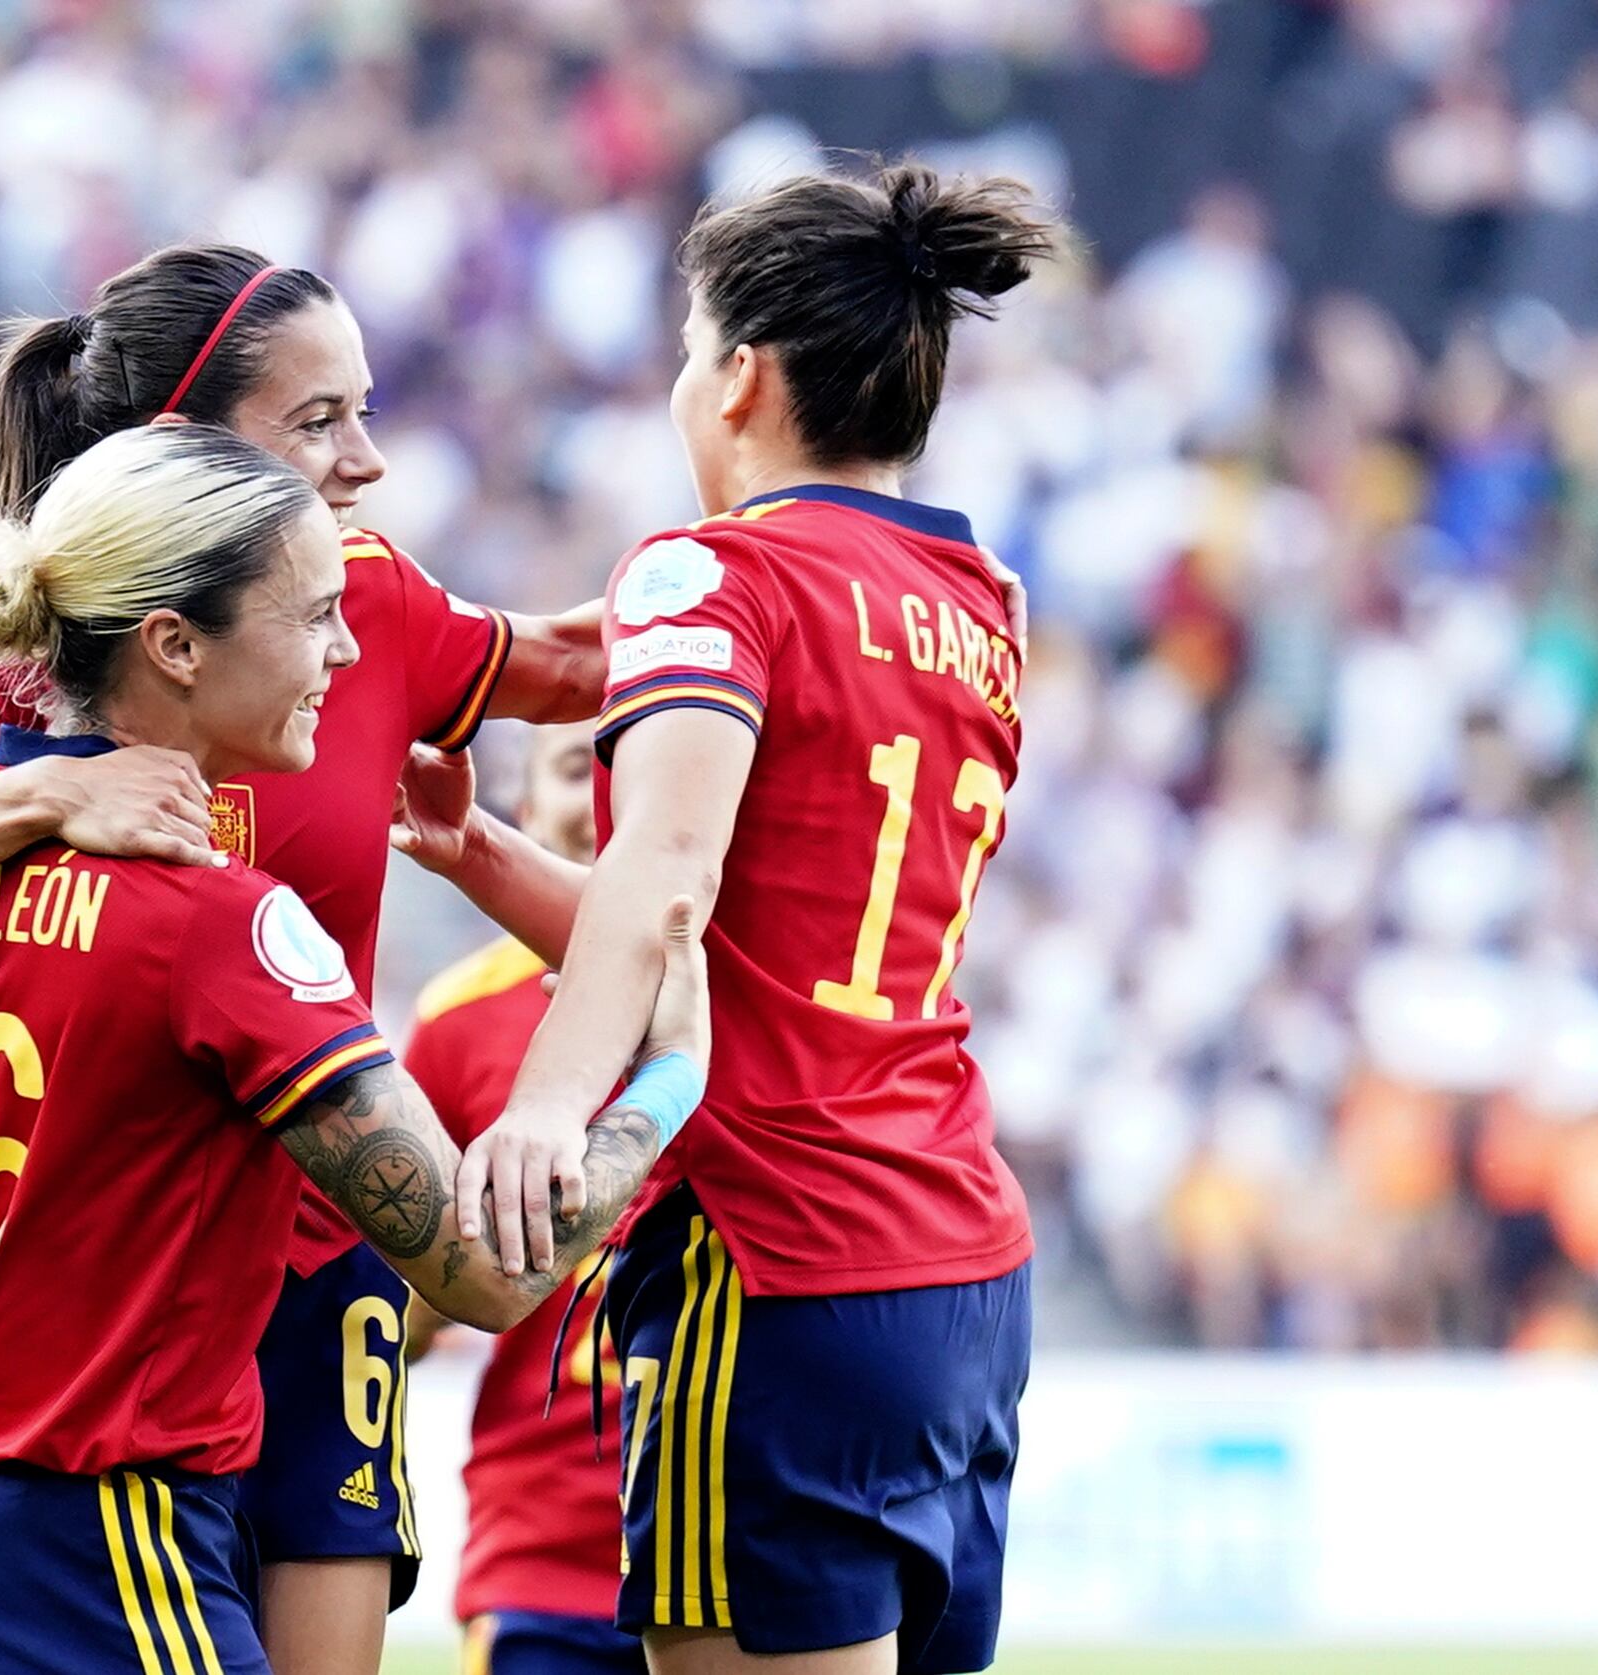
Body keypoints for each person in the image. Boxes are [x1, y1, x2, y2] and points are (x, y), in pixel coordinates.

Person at [0, 245, 608, 1675]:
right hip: (65, 1296)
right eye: (318, 419)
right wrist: (43, 793)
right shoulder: (16, 662)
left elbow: (593, 664)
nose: (369, 462)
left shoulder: (363, 603)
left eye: (367, 410)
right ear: (177, 449)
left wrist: (813, 580)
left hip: (316, 1250)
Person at [406, 160, 1055, 1673]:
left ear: (742, 375)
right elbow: (759, 931)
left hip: (771, 1255)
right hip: (955, 1261)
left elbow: (669, 878)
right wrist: (489, 852)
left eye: (689, 358)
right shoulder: (984, 600)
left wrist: (546, 1107)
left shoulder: (710, 573)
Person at [403, 722, 643, 1675]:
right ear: (528, 810)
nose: (618, 799)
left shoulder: (760, 1003)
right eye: (581, 769)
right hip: (546, 1563)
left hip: (746, 1546)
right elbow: (386, 1305)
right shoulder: (456, 1021)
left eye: (643, 772)